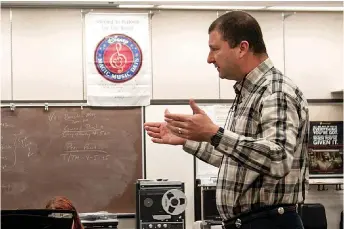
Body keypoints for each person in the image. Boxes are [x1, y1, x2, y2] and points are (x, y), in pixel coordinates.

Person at [144, 10, 309, 229]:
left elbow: (278, 159)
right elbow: (240, 162)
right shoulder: (250, 92)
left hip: (268, 223)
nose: (209, 58)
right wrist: (188, 138)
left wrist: (215, 134)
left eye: (214, 49)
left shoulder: (275, 91)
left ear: (242, 48)